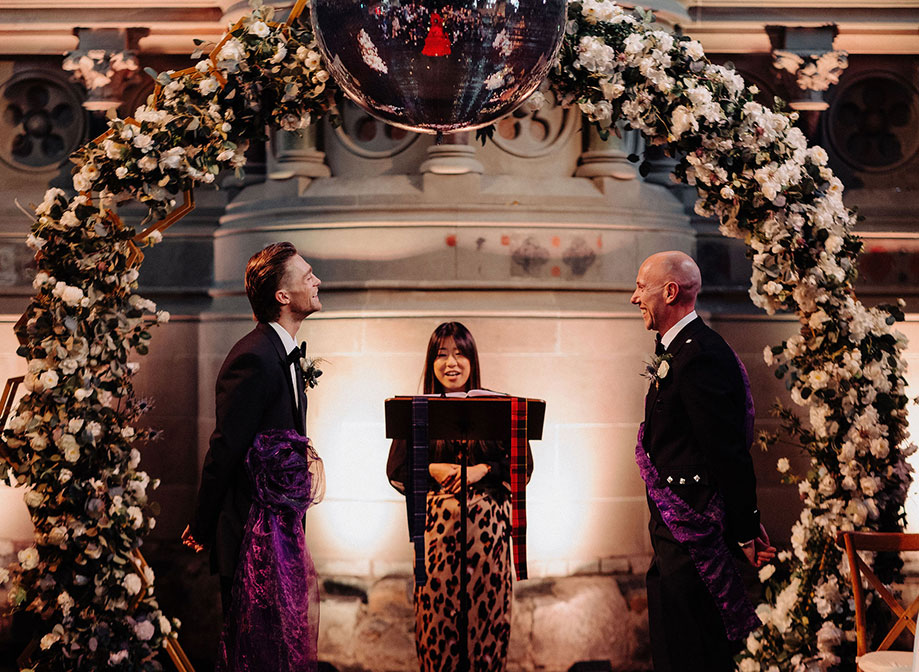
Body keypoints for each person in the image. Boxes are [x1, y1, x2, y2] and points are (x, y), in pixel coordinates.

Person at [630, 251, 776, 672]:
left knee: (692, 655)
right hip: (673, 537)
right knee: (672, 649)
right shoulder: (682, 350)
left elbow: (726, 451)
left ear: (670, 291)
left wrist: (746, 529)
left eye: (642, 286)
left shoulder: (701, 355)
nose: (634, 297)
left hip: (691, 541)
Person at [181, 242, 323, 670]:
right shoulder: (254, 357)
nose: (316, 280)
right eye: (306, 275)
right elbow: (225, 447)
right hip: (251, 539)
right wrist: (202, 524)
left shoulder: (283, 354)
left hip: (280, 534)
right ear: (282, 296)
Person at [386, 322, 533, 672]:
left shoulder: (497, 406)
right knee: (438, 631)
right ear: (431, 363)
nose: (451, 363)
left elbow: (522, 467)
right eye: (442, 355)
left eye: (459, 353)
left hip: (488, 545)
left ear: (472, 360)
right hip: (437, 543)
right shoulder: (417, 409)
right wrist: (433, 468)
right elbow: (397, 471)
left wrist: (482, 470)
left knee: (486, 631)